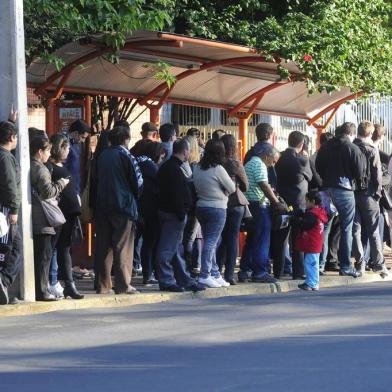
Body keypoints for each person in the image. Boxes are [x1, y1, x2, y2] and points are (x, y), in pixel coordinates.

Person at [94, 126, 143, 295]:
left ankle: (103, 284)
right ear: (126, 139)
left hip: (102, 205)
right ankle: (123, 284)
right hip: (123, 206)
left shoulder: (102, 155)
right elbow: (138, 182)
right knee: (123, 246)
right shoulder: (126, 155)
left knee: (104, 246)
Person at [316, 122, 365, 278]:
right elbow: (359, 171)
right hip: (345, 190)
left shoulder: (325, 147)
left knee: (324, 227)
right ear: (351, 134)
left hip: (326, 189)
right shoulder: (352, 148)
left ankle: (319, 265)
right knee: (346, 228)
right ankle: (345, 266)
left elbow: (318, 166)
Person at [155, 138, 203, 292]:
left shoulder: (166, 167)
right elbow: (177, 194)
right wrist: (182, 212)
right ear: (185, 151)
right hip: (173, 214)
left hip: (166, 212)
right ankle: (167, 279)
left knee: (176, 250)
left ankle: (184, 279)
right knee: (167, 249)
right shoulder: (175, 170)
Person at [30, 136, 69, 301]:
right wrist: (61, 183)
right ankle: (43, 290)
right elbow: (47, 192)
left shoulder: (30, 165)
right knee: (44, 256)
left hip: (36, 216)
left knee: (42, 255)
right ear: (40, 152)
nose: (49, 154)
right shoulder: (41, 169)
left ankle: (42, 289)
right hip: (43, 218)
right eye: (47, 151)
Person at [193, 139, 236, 288]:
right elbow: (232, 188)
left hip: (201, 206)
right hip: (217, 208)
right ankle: (205, 275)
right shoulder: (218, 169)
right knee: (211, 242)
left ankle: (215, 273)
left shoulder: (198, 167)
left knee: (211, 241)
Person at [239, 144, 284, 283]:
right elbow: (264, 185)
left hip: (251, 204)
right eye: (273, 160)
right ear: (266, 155)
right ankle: (260, 272)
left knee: (252, 239)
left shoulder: (250, 162)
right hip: (259, 205)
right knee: (262, 240)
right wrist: (277, 202)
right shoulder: (260, 165)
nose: (273, 164)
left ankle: (245, 270)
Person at [48, 134, 84, 299]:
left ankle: (67, 284)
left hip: (68, 215)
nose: (69, 151)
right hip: (58, 215)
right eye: (67, 148)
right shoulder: (50, 168)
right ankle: (56, 281)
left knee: (64, 249)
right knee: (56, 249)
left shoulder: (58, 166)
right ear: (60, 148)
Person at [273, 131, 312, 280]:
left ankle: (278, 271)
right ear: (302, 144)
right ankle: (298, 272)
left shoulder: (280, 157)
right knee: (297, 239)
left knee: (280, 239)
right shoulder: (302, 160)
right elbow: (310, 176)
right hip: (298, 203)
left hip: (282, 203)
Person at [352, 121, 387, 276]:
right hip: (368, 194)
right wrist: (377, 194)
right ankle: (379, 264)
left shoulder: (350, 147)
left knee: (356, 230)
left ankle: (359, 262)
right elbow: (377, 175)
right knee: (373, 231)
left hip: (352, 193)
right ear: (370, 134)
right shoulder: (372, 149)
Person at [217, 134, 249, 285]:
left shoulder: (217, 163)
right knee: (232, 239)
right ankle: (229, 274)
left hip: (220, 202)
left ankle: (216, 270)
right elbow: (245, 186)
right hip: (235, 204)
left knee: (220, 238)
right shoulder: (235, 164)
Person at [136, 140, 166, 285]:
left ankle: (145, 273)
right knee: (150, 243)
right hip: (151, 210)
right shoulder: (151, 168)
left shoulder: (137, 164)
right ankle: (149, 273)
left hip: (138, 209)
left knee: (139, 243)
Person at [0, 120, 22, 305]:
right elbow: (10, 185)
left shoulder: (4, 155)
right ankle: (4, 280)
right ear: (11, 138)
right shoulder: (5, 158)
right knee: (14, 248)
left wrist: (11, 121)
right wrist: (14, 209)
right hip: (6, 210)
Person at [296, 191, 328, 291]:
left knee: (310, 264)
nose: (305, 203)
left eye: (307, 201)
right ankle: (311, 282)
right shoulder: (320, 212)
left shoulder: (312, 214)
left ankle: (312, 283)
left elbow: (305, 224)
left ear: (313, 201)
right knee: (312, 264)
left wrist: (296, 219)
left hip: (312, 243)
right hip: (316, 243)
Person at [244, 122, 277, 188]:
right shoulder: (273, 152)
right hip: (268, 187)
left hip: (250, 188)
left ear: (256, 134)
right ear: (269, 135)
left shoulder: (250, 152)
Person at [64, 119, 91, 195]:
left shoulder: (76, 145)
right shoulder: (63, 143)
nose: (83, 141)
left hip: (75, 186)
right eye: (83, 137)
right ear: (76, 133)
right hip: (67, 188)